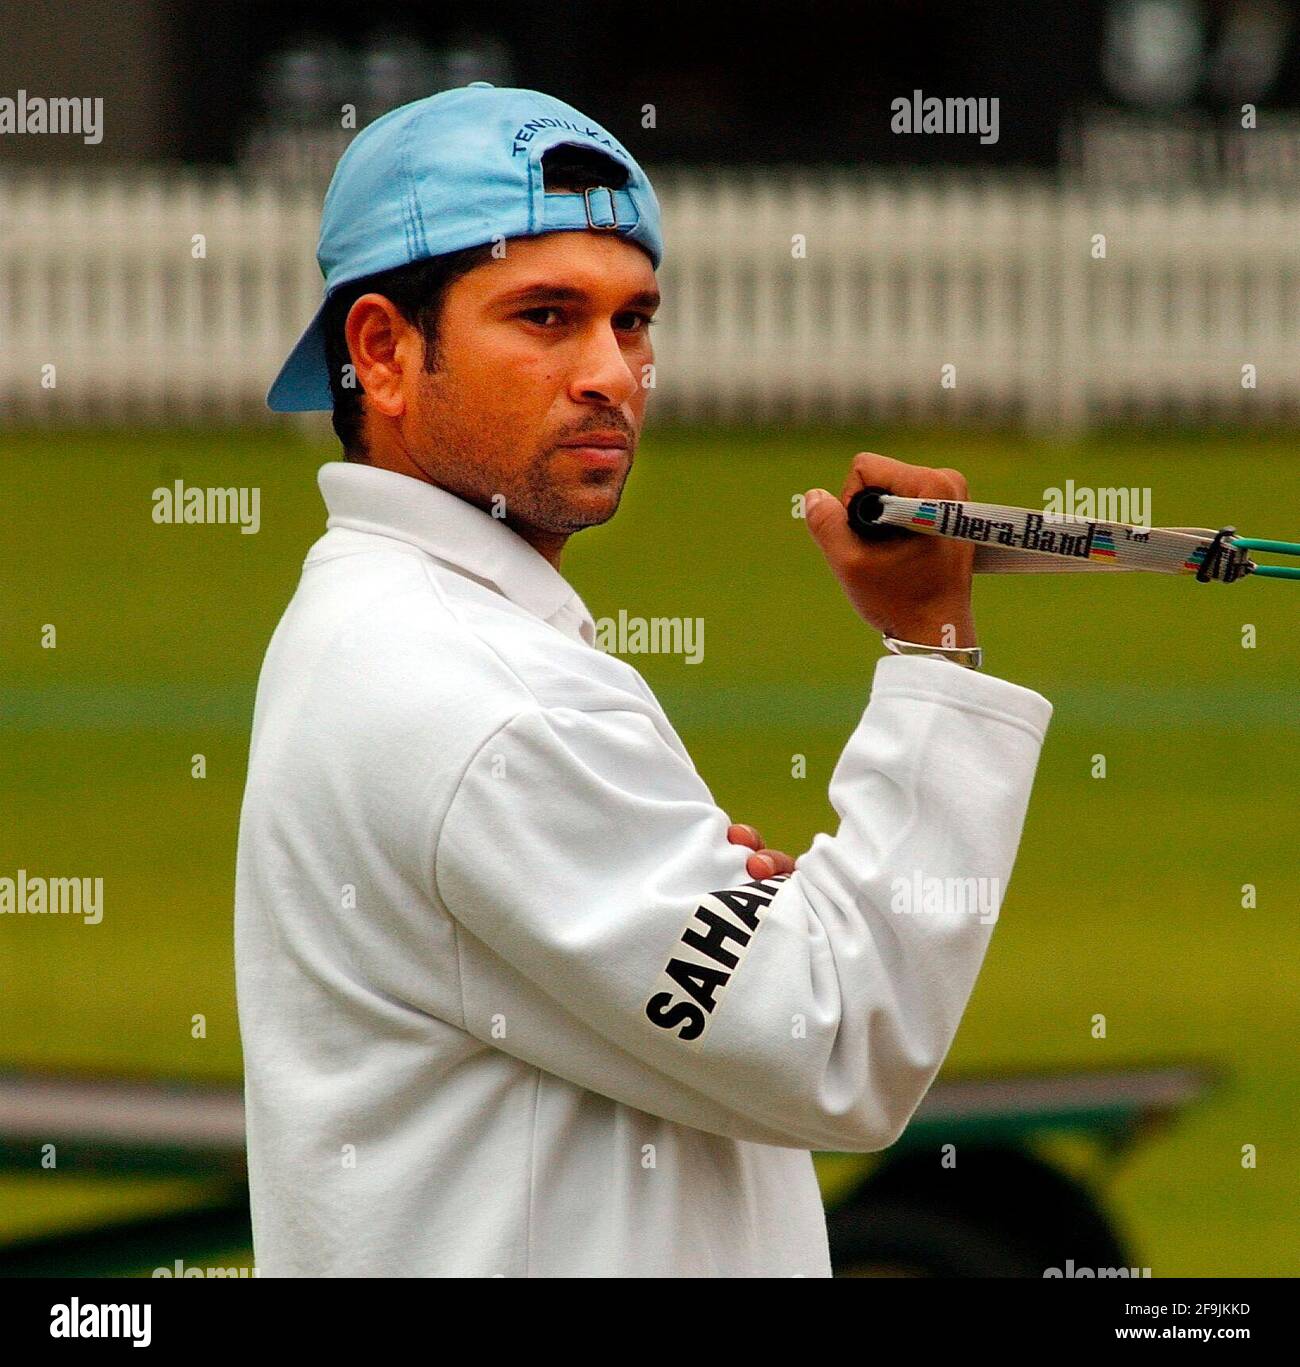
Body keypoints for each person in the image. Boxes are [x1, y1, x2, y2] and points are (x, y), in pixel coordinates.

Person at [235, 83, 1053, 1277]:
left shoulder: (391, 622)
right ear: (383, 351)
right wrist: (931, 642)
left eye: (634, 322)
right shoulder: (484, 693)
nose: (611, 373)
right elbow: (841, 1037)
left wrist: (709, 903)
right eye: (547, 316)